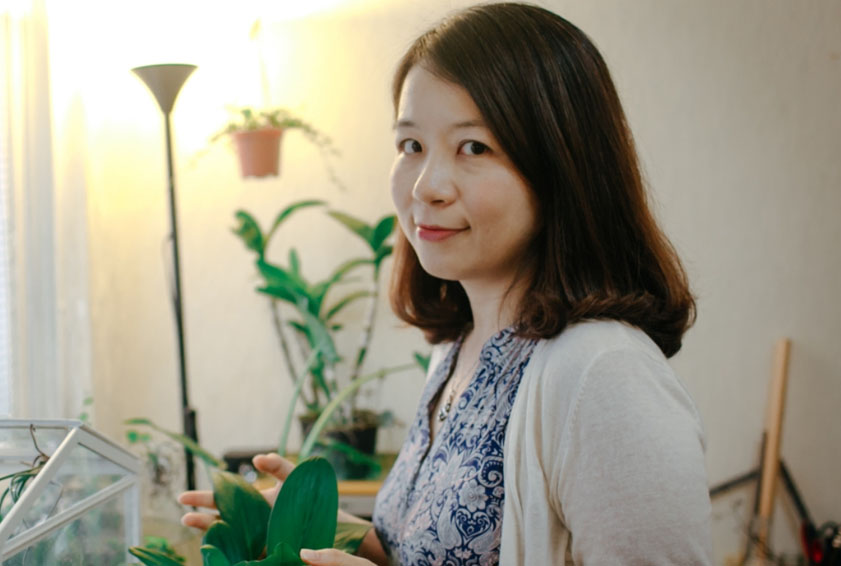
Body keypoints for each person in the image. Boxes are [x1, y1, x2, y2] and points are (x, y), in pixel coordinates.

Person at [180, 3, 714, 564]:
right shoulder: (458, 349)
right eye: (411, 145)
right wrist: (329, 529)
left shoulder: (605, 376)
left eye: (474, 147)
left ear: (561, 166)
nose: (426, 187)